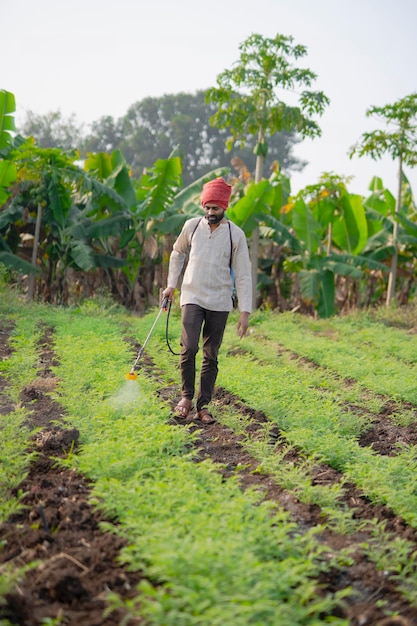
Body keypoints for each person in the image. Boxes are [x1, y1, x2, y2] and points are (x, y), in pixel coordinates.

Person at [162, 177, 252, 424]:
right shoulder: (191, 227)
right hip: (191, 296)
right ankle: (186, 398)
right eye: (207, 208)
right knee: (189, 348)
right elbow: (177, 252)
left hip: (221, 301)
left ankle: (203, 406)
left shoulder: (235, 234)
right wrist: (171, 284)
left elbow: (243, 273)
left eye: (216, 208)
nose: (211, 213)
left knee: (211, 355)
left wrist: (245, 311)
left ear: (225, 207)